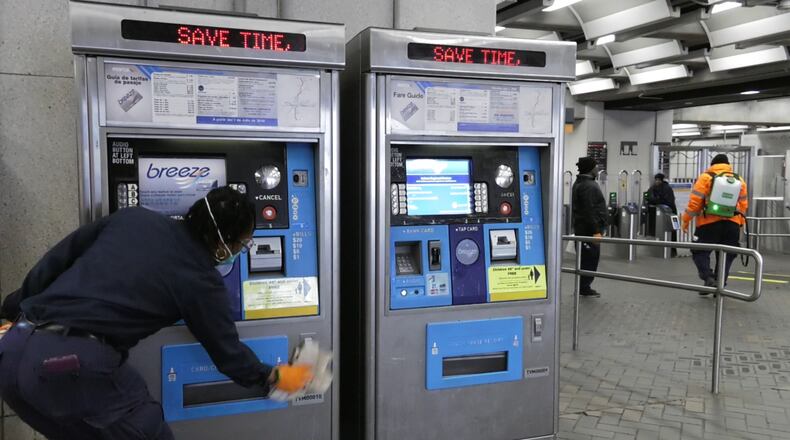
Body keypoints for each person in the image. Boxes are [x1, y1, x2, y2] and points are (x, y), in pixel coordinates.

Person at [0, 187, 313, 440]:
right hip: (70, 364)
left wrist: (12, 309)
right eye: (241, 245)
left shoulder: (133, 218)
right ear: (223, 245)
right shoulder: (201, 280)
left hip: (12, 352)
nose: (239, 252)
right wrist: (272, 376)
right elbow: (227, 352)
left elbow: (55, 261)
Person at [681, 154, 748, 295]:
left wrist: (685, 220)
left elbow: (694, 204)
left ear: (712, 164)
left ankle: (708, 278)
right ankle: (719, 284)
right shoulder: (739, 180)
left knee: (700, 251)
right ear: (728, 165)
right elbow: (743, 205)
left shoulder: (706, 177)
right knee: (726, 255)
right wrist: (740, 223)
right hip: (732, 224)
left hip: (709, 223)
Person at [572, 157, 608, 297]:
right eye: (595, 166)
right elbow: (589, 210)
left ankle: (583, 286)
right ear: (590, 169)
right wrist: (596, 231)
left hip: (583, 229)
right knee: (590, 259)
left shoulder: (581, 183)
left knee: (586, 259)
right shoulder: (588, 186)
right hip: (588, 231)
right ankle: (584, 287)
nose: (597, 169)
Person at [646, 173, 678, 256]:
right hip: (659, 213)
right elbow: (648, 197)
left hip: (670, 213)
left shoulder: (667, 188)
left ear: (662, 180)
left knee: (671, 232)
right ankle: (662, 250)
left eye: (659, 180)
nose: (657, 181)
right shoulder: (652, 188)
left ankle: (672, 250)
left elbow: (669, 201)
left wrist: (656, 200)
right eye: (656, 180)